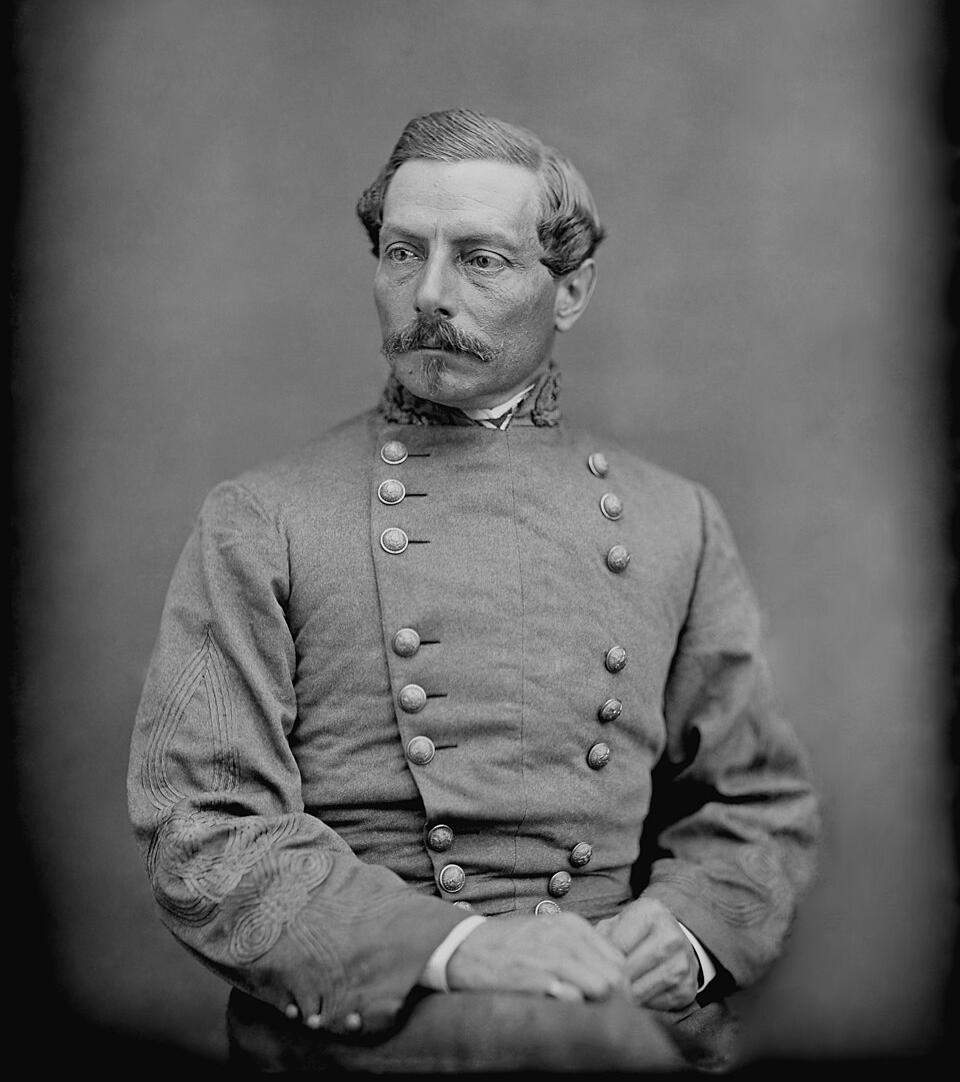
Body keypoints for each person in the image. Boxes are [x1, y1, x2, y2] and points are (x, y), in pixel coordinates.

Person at [128, 109, 819, 1074]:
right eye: (403, 253)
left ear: (569, 290)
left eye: (481, 259)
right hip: (378, 1025)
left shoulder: (677, 521)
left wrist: (688, 933)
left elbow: (757, 803)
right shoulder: (261, 519)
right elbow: (204, 830)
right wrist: (459, 949)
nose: (429, 294)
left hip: (623, 1005)